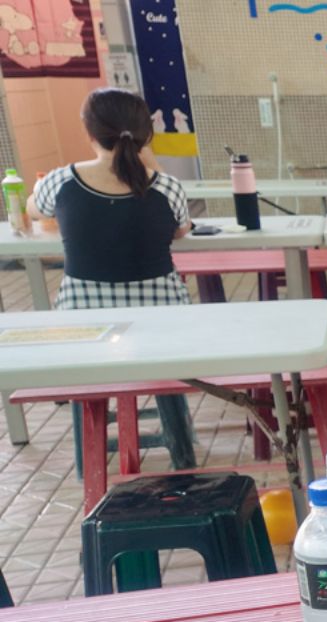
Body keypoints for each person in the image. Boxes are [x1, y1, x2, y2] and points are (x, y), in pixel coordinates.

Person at [27, 87, 196, 470]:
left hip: (85, 336)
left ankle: (91, 461)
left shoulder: (61, 181)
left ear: (89, 131)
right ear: (145, 135)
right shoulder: (166, 186)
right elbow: (180, 229)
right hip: (167, 334)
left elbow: (35, 209)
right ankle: (182, 450)